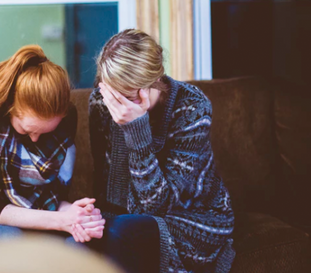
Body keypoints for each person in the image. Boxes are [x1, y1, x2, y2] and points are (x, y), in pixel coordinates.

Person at [87, 29, 236, 273]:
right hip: (126, 218)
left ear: (151, 83)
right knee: (85, 240)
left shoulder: (192, 108)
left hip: (194, 219)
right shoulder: (102, 103)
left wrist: (137, 130)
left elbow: (156, 208)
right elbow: (105, 183)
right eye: (112, 93)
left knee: (123, 232)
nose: (115, 104)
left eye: (126, 95)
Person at [0, 45, 104, 251]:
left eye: (44, 133)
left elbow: (52, 197)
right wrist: (62, 221)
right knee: (11, 241)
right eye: (26, 131)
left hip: (33, 220)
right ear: (9, 107)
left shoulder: (66, 119)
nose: (35, 140)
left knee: (81, 244)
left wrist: (76, 214)